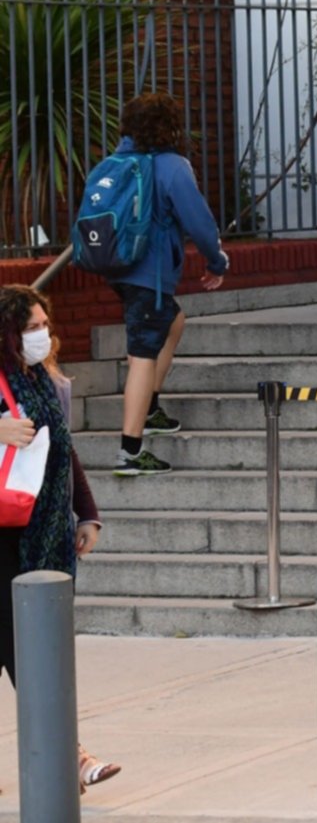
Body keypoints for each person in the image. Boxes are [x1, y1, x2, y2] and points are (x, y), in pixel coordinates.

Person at [0, 286, 120, 793]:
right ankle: (69, 757)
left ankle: (65, 757)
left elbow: (62, 450)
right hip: (4, 538)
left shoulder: (46, 382)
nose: (41, 334)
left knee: (33, 649)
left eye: (44, 324)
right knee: (27, 650)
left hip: (41, 536)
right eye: (30, 327)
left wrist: (85, 513)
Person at [109, 93, 230, 477]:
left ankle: (152, 407)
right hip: (150, 276)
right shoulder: (172, 167)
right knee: (142, 354)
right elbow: (200, 223)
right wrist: (216, 261)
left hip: (119, 269)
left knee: (173, 322)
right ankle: (130, 450)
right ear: (169, 126)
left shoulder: (117, 162)